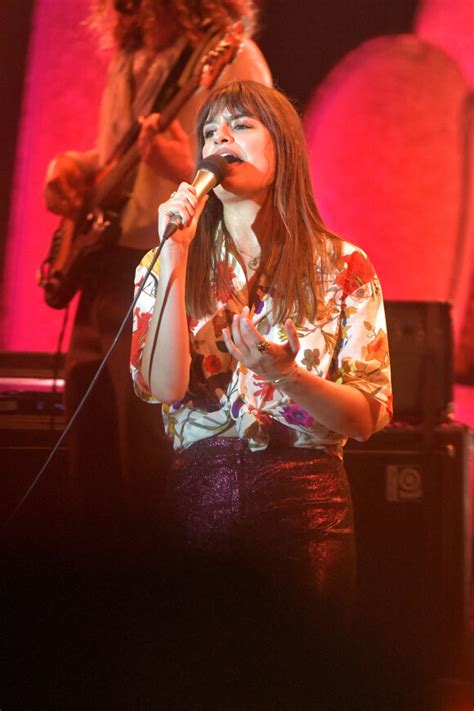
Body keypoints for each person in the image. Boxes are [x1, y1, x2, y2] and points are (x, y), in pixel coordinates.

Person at [130, 80, 393, 703]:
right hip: (200, 495)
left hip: (305, 497)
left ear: (284, 150)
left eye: (241, 126)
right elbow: (162, 385)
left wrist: (286, 376)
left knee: (303, 681)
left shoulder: (344, 267)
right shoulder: (164, 261)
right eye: (210, 132)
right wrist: (175, 254)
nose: (221, 139)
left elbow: (367, 415)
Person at [43, 0, 271, 551]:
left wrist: (182, 169)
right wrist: (73, 168)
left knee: (149, 463)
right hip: (105, 273)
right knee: (91, 464)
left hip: (174, 269)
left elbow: (262, 176)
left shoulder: (231, 56)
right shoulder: (130, 54)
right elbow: (117, 159)